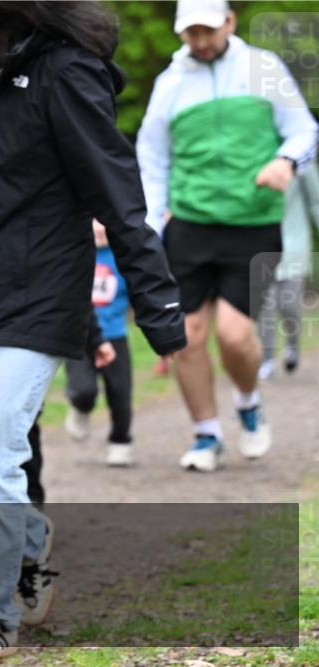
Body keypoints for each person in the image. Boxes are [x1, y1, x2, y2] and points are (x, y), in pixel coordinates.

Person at [0, 1, 186, 662]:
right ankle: (29, 540)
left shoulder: (68, 74)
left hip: (41, 294)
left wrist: (160, 309)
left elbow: (118, 193)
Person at [136, 0, 317, 471]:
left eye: (207, 31)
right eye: (190, 33)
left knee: (235, 336)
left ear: (230, 23)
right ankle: (206, 434)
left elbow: (304, 130)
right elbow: (152, 159)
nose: (199, 41)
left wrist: (286, 161)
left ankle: (249, 400)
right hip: (190, 224)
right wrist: (153, 224)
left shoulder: (263, 68)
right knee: (188, 336)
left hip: (253, 223)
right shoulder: (170, 84)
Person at [64, 220, 135, 467]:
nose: (100, 227)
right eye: (93, 220)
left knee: (120, 393)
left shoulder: (122, 258)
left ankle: (120, 441)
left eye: (105, 221)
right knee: (83, 389)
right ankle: (81, 407)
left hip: (115, 335)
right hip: (79, 337)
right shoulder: (75, 254)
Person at [259, 159, 319, 379]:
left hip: (294, 243)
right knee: (265, 306)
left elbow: (316, 202)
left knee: (289, 304)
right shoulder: (250, 154)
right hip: (259, 245)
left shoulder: (302, 161)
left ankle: (293, 345)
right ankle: (266, 360)